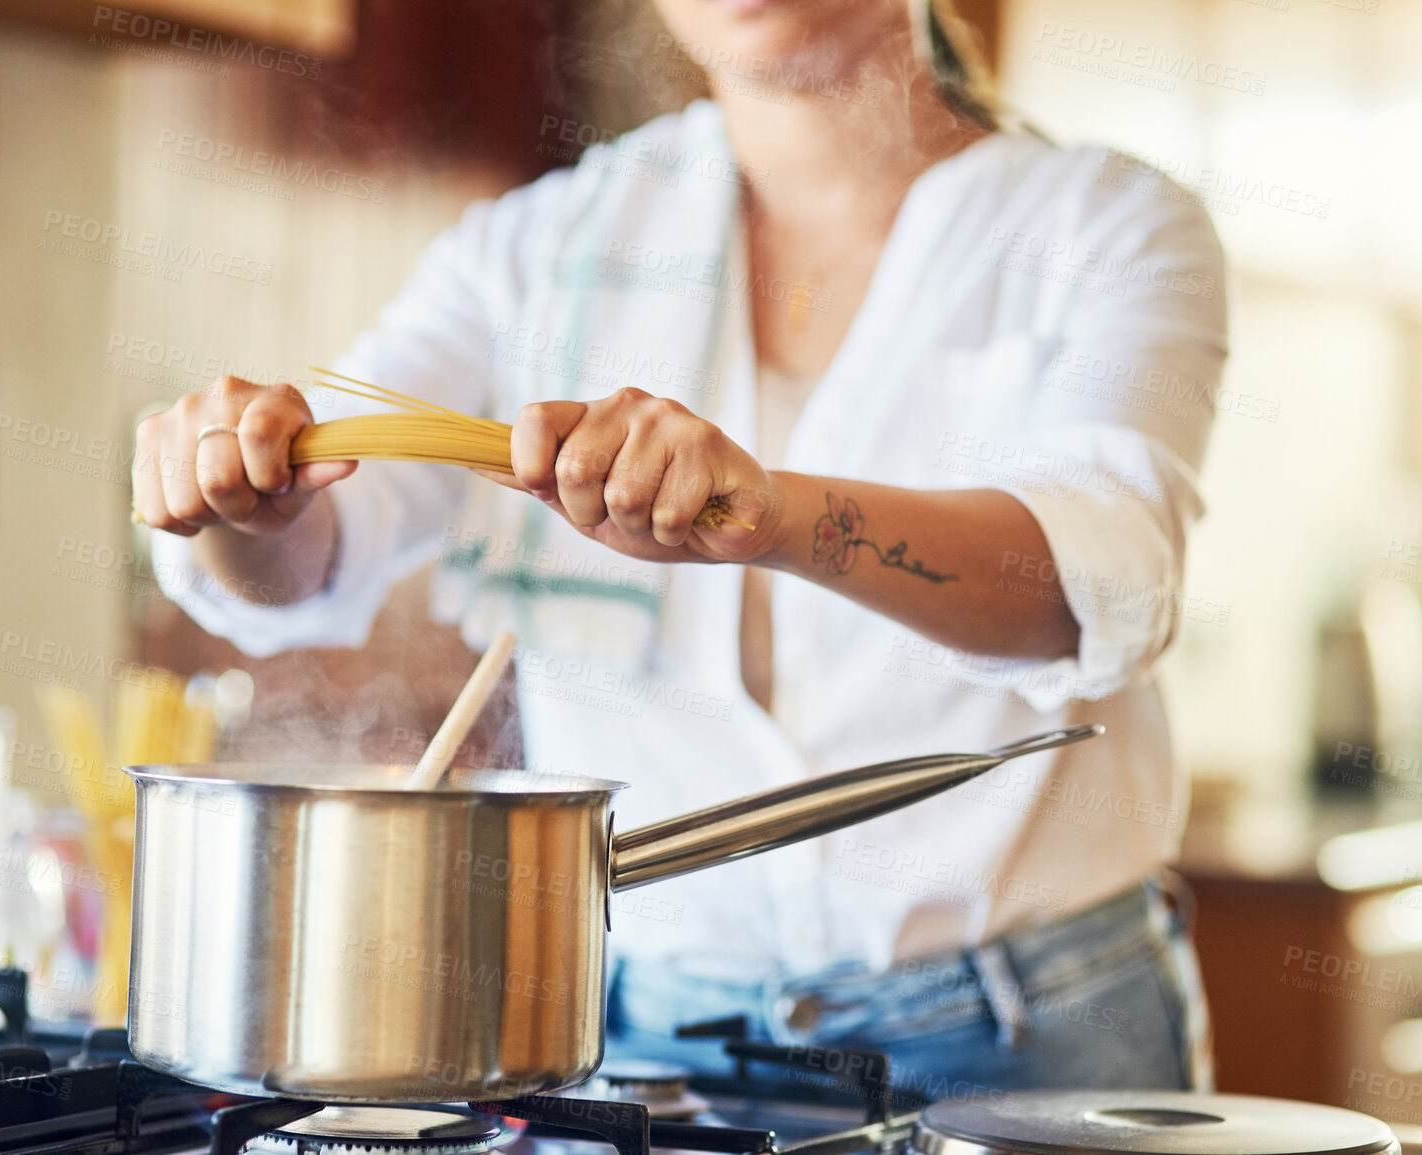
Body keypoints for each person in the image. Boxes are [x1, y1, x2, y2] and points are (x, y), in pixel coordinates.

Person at [132, 0, 1226, 1105]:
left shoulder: (1111, 226)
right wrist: (241, 501)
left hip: (1029, 1035)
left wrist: (777, 516)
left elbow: (1097, 585)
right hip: (648, 1046)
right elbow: (315, 551)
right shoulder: (537, 252)